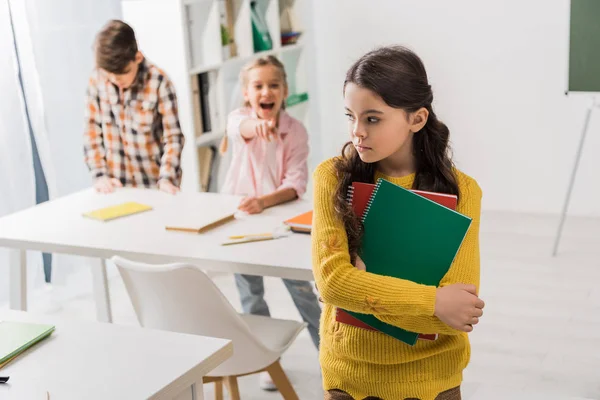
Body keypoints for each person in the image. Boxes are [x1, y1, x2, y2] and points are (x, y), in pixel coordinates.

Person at [312, 45, 485, 400]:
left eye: (372, 119)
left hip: (433, 381)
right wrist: (432, 299)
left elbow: (457, 315)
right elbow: (332, 285)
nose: (356, 132)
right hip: (349, 376)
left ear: (417, 119)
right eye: (351, 116)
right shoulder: (332, 178)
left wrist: (362, 288)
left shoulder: (463, 192)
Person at [220, 55, 322, 390]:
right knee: (251, 295)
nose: (267, 91)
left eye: (273, 85)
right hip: (241, 224)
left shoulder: (296, 131)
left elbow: (295, 184)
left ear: (285, 91)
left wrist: (264, 201)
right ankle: (268, 361)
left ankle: (331, 357)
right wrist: (257, 127)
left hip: (283, 224)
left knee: (304, 292)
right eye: (258, 86)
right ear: (247, 94)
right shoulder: (239, 120)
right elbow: (241, 128)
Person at [84, 20, 184, 194]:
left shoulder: (158, 82)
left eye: (121, 76)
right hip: (116, 188)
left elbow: (173, 137)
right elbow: (92, 132)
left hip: (154, 187)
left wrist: (167, 178)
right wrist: (100, 175)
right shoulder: (97, 80)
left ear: (137, 58)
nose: (116, 82)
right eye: (110, 77)